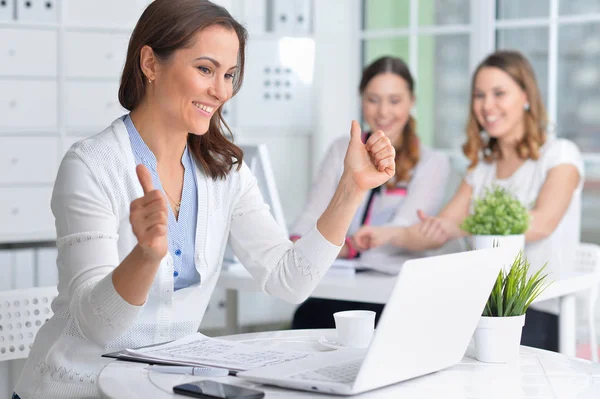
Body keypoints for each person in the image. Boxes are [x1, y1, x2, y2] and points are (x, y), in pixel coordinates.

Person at [13, 1, 397, 398]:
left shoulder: (224, 171)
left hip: (161, 386)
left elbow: (290, 280)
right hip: (75, 389)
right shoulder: (92, 166)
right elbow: (97, 326)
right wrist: (144, 256)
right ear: (150, 63)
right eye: (205, 69)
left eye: (229, 74)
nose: (221, 90)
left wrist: (350, 189)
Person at [354, 50, 584, 351]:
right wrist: (385, 235)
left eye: (499, 93)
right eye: (479, 95)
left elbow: (541, 224)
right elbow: (439, 230)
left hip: (538, 311)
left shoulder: (560, 155)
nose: (487, 106)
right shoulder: (482, 167)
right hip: (481, 310)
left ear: (526, 96)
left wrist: (461, 227)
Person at [290, 56, 451, 329]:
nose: (383, 112)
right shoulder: (342, 149)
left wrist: (341, 247)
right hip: (338, 284)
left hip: (393, 292)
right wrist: (295, 244)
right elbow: (312, 215)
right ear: (361, 99)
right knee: (307, 318)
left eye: (394, 100)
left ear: (412, 101)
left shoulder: (432, 162)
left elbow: (402, 229)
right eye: (373, 99)